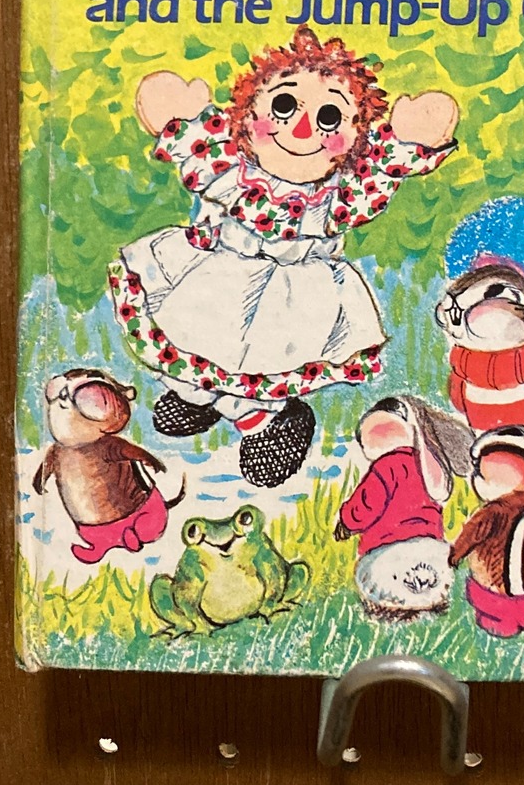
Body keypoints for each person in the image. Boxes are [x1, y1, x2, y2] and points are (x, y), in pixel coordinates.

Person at [109, 27, 458, 487]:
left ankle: (268, 422)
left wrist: (410, 138)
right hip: (220, 274)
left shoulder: (337, 194)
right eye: (284, 105)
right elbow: (197, 145)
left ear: (356, 138)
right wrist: (178, 115)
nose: (302, 128)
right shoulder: (233, 171)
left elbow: (380, 171)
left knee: (267, 357)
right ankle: (197, 398)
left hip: (293, 294)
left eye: (330, 116)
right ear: (248, 112)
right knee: (194, 333)